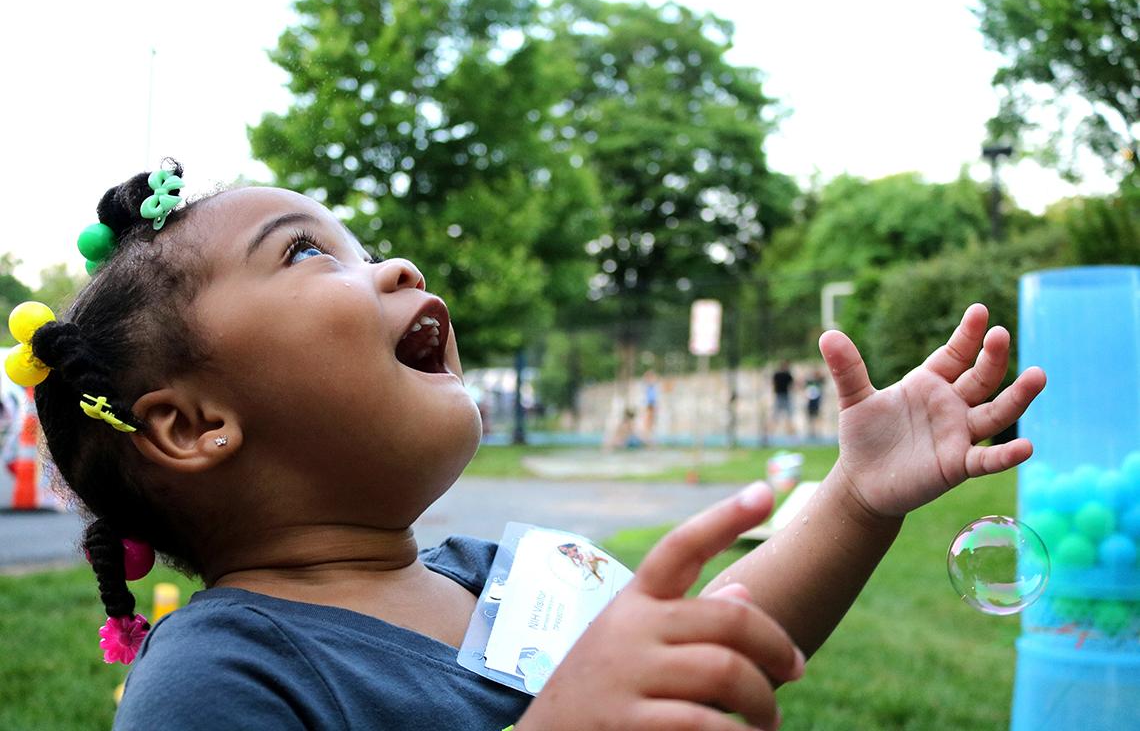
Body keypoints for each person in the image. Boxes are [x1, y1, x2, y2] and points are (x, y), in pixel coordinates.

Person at [8, 161, 1046, 731]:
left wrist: (859, 496)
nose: (394, 265)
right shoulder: (217, 681)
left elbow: (710, 646)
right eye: (307, 252)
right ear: (192, 425)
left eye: (361, 243)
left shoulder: (511, 574)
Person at [771, 360, 795, 437]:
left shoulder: (778, 374)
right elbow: (792, 386)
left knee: (785, 416)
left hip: (782, 396)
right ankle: (771, 434)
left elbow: (773, 384)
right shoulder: (786, 375)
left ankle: (790, 434)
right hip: (782, 396)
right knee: (778, 416)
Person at [804, 367, 826, 440]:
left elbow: (823, 380)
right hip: (811, 402)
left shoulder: (818, 382)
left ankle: (818, 432)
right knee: (811, 417)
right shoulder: (811, 382)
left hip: (817, 402)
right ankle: (811, 432)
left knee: (816, 417)